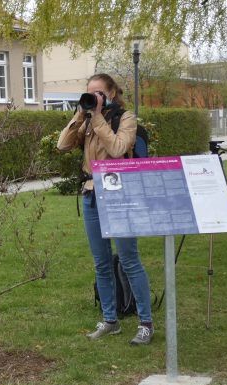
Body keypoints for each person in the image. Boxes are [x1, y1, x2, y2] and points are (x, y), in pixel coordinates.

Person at [57, 73, 154, 346]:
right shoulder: (86, 121)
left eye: (98, 93)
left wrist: (97, 117)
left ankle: (145, 322)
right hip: (91, 196)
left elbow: (118, 147)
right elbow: (62, 145)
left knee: (128, 260)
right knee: (101, 263)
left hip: (119, 194)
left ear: (111, 92)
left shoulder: (126, 118)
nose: (94, 98)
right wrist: (80, 115)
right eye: (90, 93)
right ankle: (110, 319)